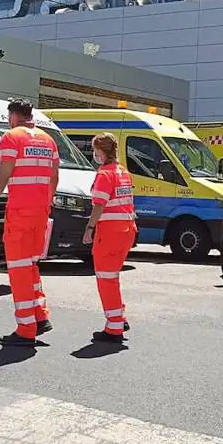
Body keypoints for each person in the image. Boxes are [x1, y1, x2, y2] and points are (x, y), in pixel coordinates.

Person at [0, 98, 59, 347]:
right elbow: (54, 177)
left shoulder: (12, 137)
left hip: (20, 212)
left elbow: (4, 172)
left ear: (13, 116)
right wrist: (46, 204)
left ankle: (26, 328)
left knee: (18, 269)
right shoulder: (48, 140)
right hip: (39, 212)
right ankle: (39, 316)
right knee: (31, 266)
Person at [86, 133, 137, 344]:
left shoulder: (105, 174)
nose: (94, 155)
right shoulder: (123, 172)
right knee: (112, 276)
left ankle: (114, 326)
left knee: (105, 278)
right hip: (126, 229)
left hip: (109, 232)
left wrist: (89, 227)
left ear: (102, 151)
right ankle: (119, 317)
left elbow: (99, 204)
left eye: (95, 151)